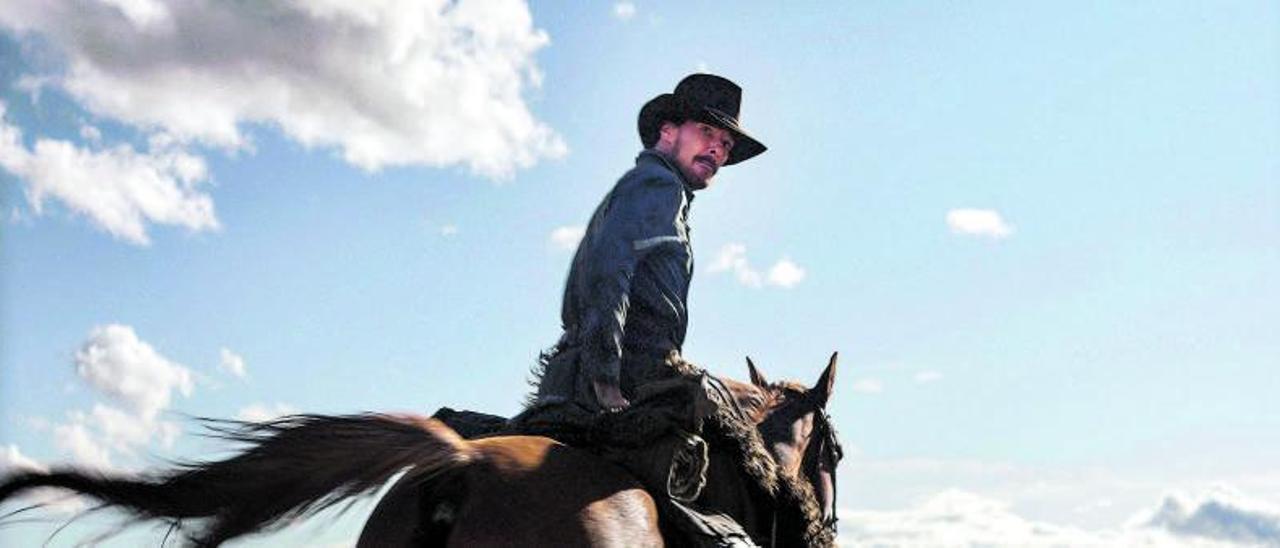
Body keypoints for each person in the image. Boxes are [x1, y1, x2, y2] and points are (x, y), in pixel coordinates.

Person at [533, 73, 767, 412]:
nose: (717, 148)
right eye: (706, 131)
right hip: (626, 376)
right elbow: (609, 272)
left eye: (726, 144)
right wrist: (606, 380)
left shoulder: (656, 189)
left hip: (590, 370)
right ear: (668, 131)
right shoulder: (659, 185)